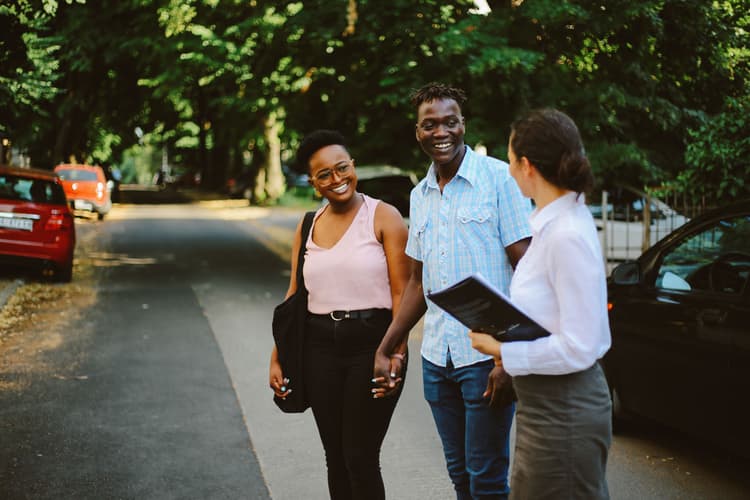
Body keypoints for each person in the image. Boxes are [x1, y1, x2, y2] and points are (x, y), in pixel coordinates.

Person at [372, 82, 532, 500]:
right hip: (436, 360)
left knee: (487, 478)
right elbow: (418, 284)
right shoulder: (419, 195)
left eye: (450, 122)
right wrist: (389, 345)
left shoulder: (499, 179)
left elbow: (529, 269)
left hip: (485, 358)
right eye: (430, 125)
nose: (440, 132)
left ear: (463, 125)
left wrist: (510, 356)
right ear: (418, 132)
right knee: (460, 474)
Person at [469, 108, 612, 499]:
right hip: (542, 407)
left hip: (564, 410)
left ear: (527, 166)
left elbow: (580, 345)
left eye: (511, 161)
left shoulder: (566, 234)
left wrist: (502, 349)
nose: (509, 170)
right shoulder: (547, 223)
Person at [268, 129, 410, 500]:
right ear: (314, 183)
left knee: (360, 457)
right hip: (318, 350)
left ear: (353, 166)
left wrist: (396, 354)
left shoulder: (384, 217)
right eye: (324, 174)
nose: (337, 179)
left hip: (373, 345)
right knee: (336, 458)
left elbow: (402, 295)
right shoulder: (308, 224)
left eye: (341, 167)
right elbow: (294, 297)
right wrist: (278, 357)